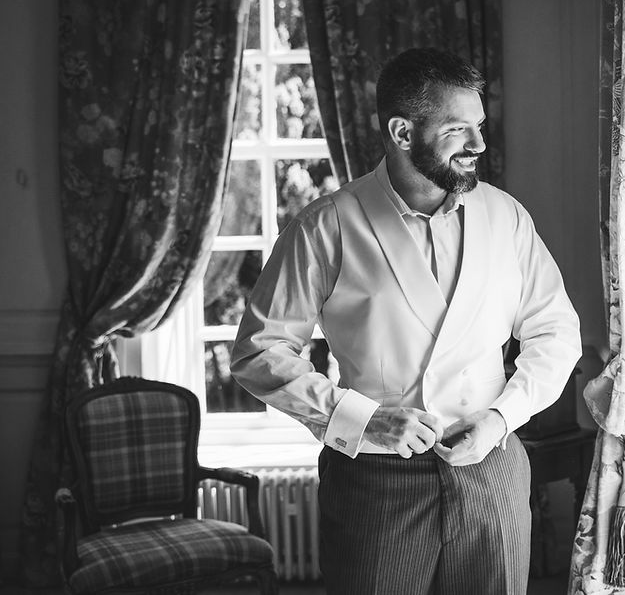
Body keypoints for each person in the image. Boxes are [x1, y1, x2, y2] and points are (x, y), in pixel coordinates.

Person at [231, 47, 581, 595]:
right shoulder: (325, 227)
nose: (479, 144)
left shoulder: (507, 217)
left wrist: (500, 418)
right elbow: (260, 351)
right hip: (373, 480)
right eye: (458, 129)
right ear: (402, 132)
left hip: (492, 469)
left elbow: (556, 332)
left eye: (480, 126)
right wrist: (362, 420)